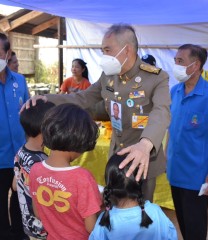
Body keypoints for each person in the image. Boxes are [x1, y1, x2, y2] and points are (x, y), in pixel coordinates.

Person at [24, 23, 171, 202]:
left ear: (127, 50)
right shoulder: (108, 76)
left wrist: (145, 144)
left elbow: (161, 112)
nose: (104, 56)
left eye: (108, 50)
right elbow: (83, 98)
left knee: (142, 212)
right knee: (115, 206)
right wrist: (47, 99)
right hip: (117, 157)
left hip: (144, 159)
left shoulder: (156, 77)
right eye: (103, 50)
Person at [167, 44, 208, 240]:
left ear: (195, 66)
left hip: (197, 175)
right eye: (175, 61)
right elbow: (172, 128)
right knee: (183, 223)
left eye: (181, 61)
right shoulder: (175, 91)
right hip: (175, 170)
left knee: (195, 227)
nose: (176, 65)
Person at [29, 103, 102, 240]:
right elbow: (91, 227)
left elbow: (38, 213)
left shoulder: (35, 170)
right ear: (79, 142)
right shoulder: (82, 177)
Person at [89, 153, 177, 240]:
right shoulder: (156, 212)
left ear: (109, 186)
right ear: (140, 181)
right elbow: (171, 236)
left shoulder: (106, 220)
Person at [0, 32, 30, 240]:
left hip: (21, 155)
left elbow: (29, 113)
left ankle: (19, 234)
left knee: (21, 200)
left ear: (7, 53)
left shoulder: (19, 80)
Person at [13, 99, 55, 239]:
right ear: (46, 129)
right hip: (44, 229)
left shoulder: (20, 152)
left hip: (28, 224)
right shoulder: (43, 162)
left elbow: (14, 185)